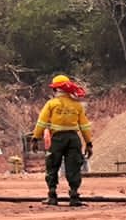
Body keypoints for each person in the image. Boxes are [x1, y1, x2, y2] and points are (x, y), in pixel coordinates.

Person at [32, 74, 94, 207]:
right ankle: (74, 195)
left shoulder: (51, 104)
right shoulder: (77, 106)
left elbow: (41, 123)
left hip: (57, 139)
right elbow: (84, 126)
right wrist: (89, 143)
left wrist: (35, 138)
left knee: (52, 165)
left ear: (55, 90)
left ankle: (52, 195)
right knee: (74, 167)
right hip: (73, 139)